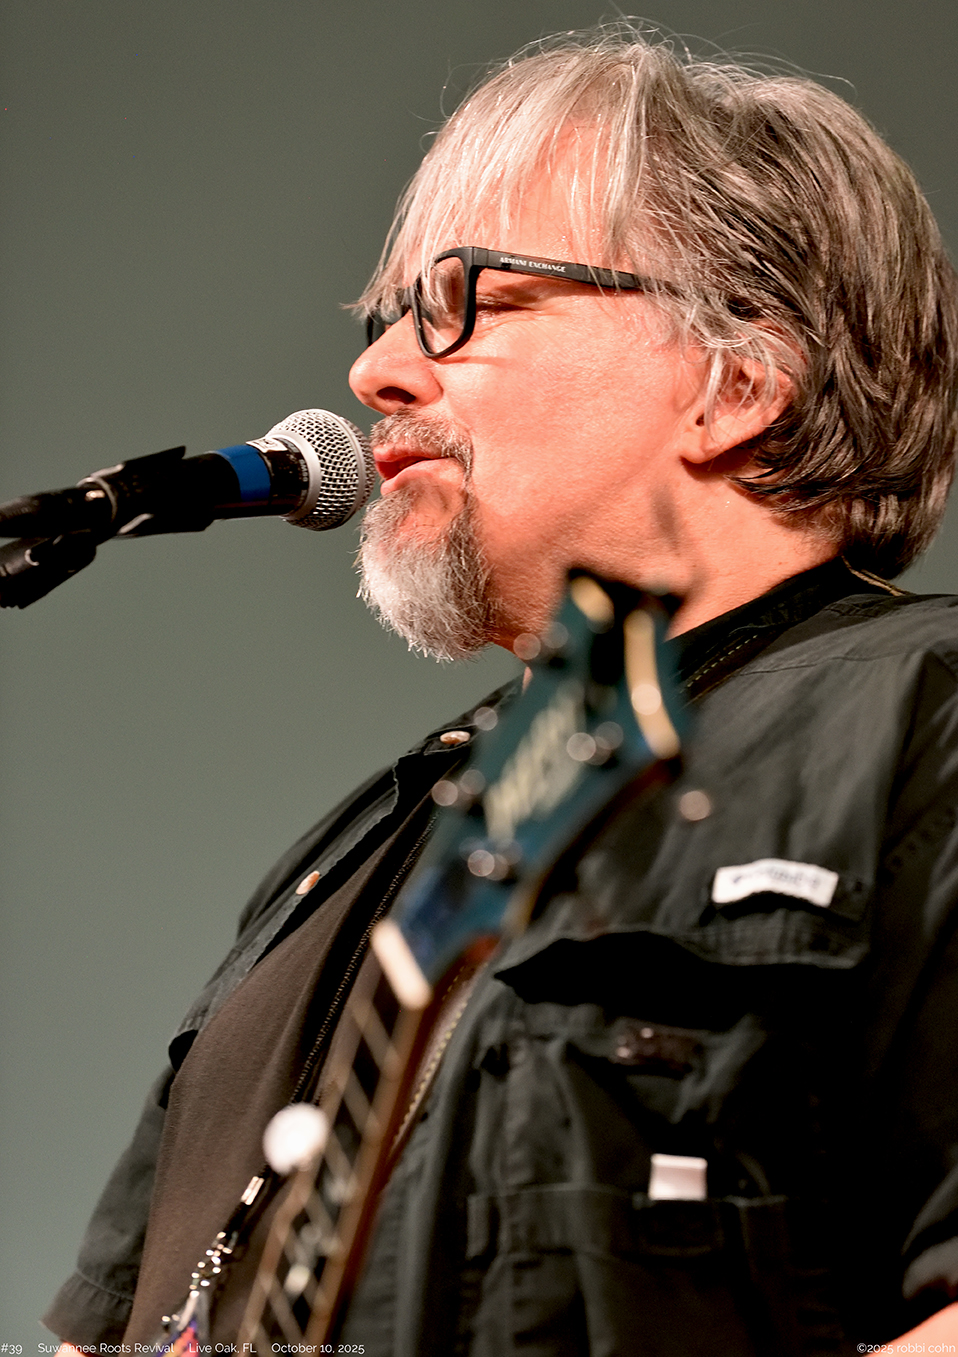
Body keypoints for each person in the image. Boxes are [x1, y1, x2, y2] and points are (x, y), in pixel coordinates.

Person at [46, 24, 958, 1355]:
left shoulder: (922, 717)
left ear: (736, 380)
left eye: (464, 298)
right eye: (391, 313)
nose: (374, 373)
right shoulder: (362, 847)